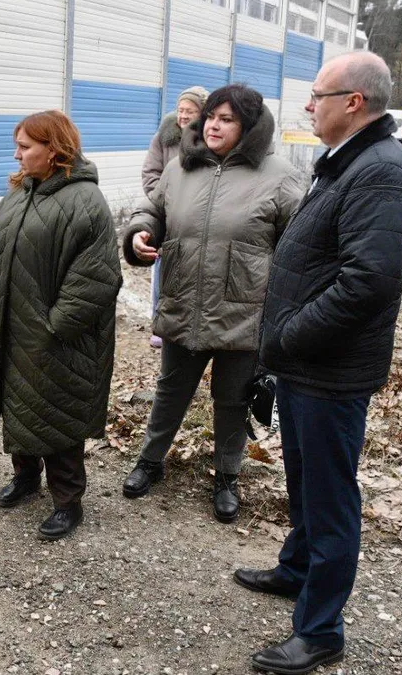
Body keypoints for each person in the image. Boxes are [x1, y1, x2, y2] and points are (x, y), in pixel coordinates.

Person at [236, 52, 402, 675]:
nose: (308, 105)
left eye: (318, 95)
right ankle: (298, 570)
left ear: (354, 102)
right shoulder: (345, 162)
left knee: (330, 497)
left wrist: (288, 337)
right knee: (305, 484)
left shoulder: (383, 174)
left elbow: (368, 282)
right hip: (305, 364)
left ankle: (320, 632)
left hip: (328, 369)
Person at [121, 84, 304, 523]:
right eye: (211, 117)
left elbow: (299, 246)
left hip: (244, 308)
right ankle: (150, 460)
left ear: (250, 127)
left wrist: (283, 310)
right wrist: (139, 234)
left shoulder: (279, 175)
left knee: (232, 399)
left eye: (227, 119)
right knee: (170, 391)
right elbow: (152, 210)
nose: (214, 125)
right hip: (184, 298)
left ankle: (226, 476)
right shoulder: (181, 167)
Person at [0, 110, 121, 541]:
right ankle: (25, 477)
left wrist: (55, 325)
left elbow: (96, 277)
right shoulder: (20, 193)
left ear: (53, 149)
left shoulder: (86, 202)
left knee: (57, 413)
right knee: (18, 402)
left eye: (25, 147)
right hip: (11, 326)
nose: (17, 154)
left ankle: (67, 501)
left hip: (56, 336)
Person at [141, 86, 209, 349]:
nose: (182, 116)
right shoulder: (164, 136)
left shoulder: (209, 138)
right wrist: (168, 201)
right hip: (168, 211)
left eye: (189, 111)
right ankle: (160, 321)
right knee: (163, 266)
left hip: (199, 213)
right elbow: (150, 173)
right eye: (180, 110)